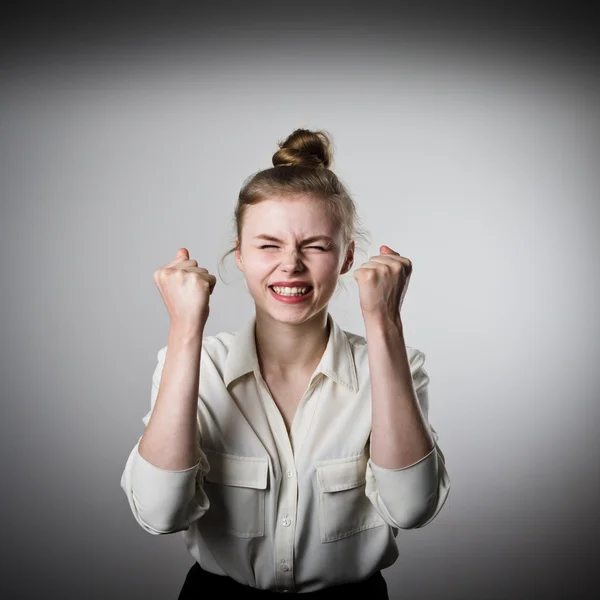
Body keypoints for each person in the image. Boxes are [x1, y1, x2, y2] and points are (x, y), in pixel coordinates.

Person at [120, 128, 451, 598]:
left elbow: (412, 509)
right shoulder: (201, 365)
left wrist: (384, 324)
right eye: (268, 245)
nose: (291, 265)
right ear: (239, 253)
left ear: (347, 257)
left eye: (315, 246)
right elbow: (158, 515)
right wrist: (184, 330)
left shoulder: (397, 364)